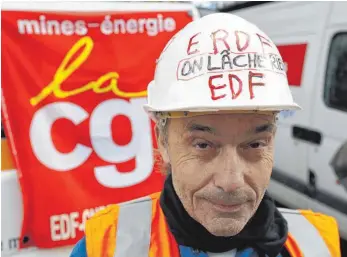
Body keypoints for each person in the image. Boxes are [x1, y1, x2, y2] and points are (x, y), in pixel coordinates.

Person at [70, 13, 341, 257]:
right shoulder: (104, 246)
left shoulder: (315, 243)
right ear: (162, 142)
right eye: (203, 144)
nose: (231, 181)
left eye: (255, 144)